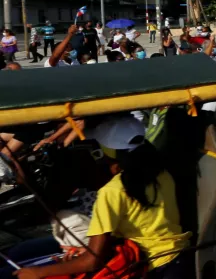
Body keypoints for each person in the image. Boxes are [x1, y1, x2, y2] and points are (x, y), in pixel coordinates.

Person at [13, 116, 192, 279]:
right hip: (177, 258)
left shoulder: (113, 191)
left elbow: (92, 262)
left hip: (147, 266)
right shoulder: (161, 173)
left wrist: (36, 273)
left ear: (108, 152)